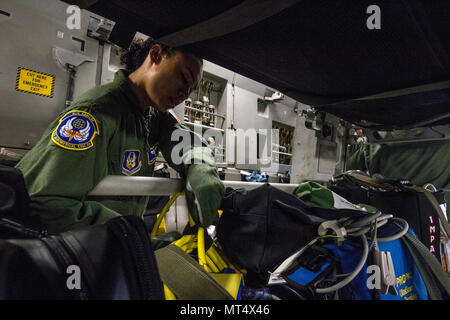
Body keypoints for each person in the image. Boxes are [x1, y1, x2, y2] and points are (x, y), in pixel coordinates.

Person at [15, 38, 225, 234]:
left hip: (111, 253)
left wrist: (201, 167)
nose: (184, 95)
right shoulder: (95, 113)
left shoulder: (153, 115)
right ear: (156, 55)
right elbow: (42, 203)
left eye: (190, 90)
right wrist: (127, 233)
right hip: (77, 259)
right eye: (184, 78)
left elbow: (185, 141)